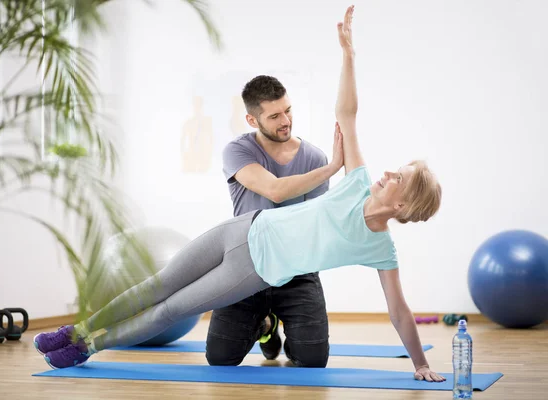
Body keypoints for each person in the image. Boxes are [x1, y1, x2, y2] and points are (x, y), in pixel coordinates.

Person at [34, 5, 446, 383]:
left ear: (402, 205)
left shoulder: (380, 248)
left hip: (255, 268)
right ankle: (75, 330)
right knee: (156, 286)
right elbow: (347, 114)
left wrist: (421, 363)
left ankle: (86, 348)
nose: (390, 171)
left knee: (173, 309)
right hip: (240, 228)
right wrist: (348, 55)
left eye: (401, 178)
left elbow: (398, 310)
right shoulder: (357, 181)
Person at [206, 75, 333, 368]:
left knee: (313, 360)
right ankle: (264, 327)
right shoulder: (237, 151)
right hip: (246, 265)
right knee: (219, 358)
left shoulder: (314, 157)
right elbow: (274, 189)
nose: (285, 120)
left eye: (288, 110)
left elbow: (315, 219)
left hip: (296, 267)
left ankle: (288, 328)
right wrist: (333, 168)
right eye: (274, 116)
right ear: (252, 120)